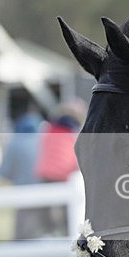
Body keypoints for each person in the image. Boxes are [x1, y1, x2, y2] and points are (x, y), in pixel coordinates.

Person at [34, 100, 86, 235]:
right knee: (68, 209)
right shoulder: (74, 132)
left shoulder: (49, 129)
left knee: (45, 208)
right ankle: (68, 232)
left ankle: (46, 232)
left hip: (46, 173)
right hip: (64, 174)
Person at [0, 109, 44, 239]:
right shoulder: (45, 140)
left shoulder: (14, 143)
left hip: (22, 194)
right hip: (45, 191)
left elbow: (3, 172)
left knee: (22, 235)